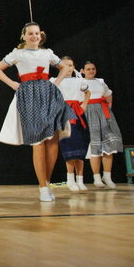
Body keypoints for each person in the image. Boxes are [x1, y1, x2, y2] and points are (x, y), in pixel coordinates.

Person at [0, 22, 75, 202]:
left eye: (36, 33)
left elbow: (65, 68)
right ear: (24, 36)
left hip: (48, 94)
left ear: (40, 35)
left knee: (53, 139)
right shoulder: (17, 53)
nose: (34, 36)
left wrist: (55, 83)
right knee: (38, 140)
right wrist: (13, 84)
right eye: (30, 33)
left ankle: (46, 181)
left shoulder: (47, 53)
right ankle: (43, 188)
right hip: (28, 95)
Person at [81, 61, 123, 189]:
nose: (91, 71)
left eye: (93, 69)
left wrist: (108, 107)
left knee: (109, 145)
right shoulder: (80, 82)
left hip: (104, 113)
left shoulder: (100, 81)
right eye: (88, 69)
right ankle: (96, 177)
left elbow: (108, 94)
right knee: (95, 146)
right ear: (83, 71)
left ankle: (107, 176)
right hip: (89, 112)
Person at [52, 57, 90, 192]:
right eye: (65, 65)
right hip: (63, 115)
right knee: (69, 145)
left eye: (70, 65)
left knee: (80, 145)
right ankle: (70, 179)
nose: (68, 68)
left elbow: (87, 92)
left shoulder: (79, 80)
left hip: (77, 114)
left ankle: (80, 179)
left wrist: (84, 104)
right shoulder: (54, 81)